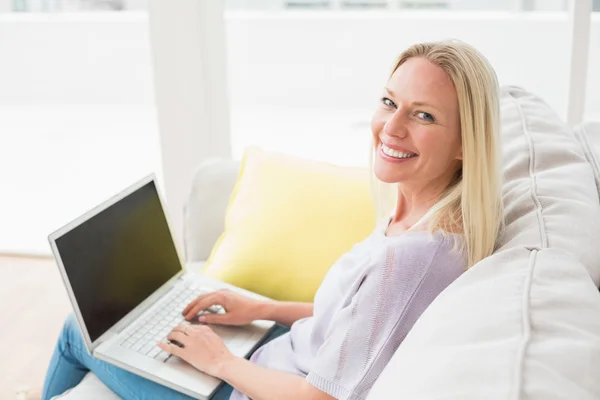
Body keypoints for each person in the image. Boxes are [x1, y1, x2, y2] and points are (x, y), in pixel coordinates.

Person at [39, 40, 503, 400]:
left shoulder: (411, 260)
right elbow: (353, 322)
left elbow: (320, 395)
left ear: (466, 143)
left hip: (250, 388)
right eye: (389, 101)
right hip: (276, 353)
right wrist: (261, 309)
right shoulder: (418, 216)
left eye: (423, 115)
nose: (392, 126)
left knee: (78, 333)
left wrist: (218, 361)